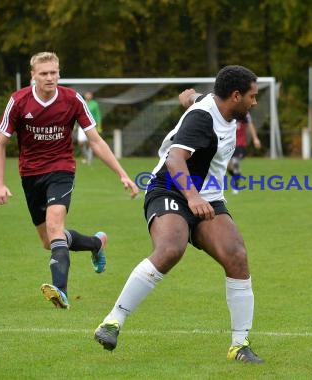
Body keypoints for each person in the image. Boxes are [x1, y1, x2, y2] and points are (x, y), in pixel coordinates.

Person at [94, 65, 264, 364]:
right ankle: (112, 321)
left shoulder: (213, 103)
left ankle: (240, 345)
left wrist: (188, 97)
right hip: (170, 189)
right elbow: (174, 159)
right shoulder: (203, 118)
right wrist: (192, 196)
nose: (255, 102)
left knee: (236, 255)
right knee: (171, 248)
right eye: (252, 96)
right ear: (235, 96)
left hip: (207, 195)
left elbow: (196, 97)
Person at [0, 52, 139, 310]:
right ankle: (95, 243)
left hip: (61, 170)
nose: (50, 78)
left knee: (54, 227)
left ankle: (60, 290)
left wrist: (122, 173)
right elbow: (0, 143)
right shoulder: (19, 101)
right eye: (44, 73)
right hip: (30, 175)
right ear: (33, 76)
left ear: (59, 73)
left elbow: (95, 139)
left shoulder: (72, 100)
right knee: (49, 241)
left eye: (54, 72)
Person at [179, 89, 262, 194]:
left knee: (235, 162)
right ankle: (236, 176)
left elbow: (250, 124)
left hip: (239, 142)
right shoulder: (217, 111)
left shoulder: (243, 113)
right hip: (224, 142)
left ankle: (236, 184)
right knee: (227, 165)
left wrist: (255, 138)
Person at [77, 91, 102, 164]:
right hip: (81, 125)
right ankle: (86, 156)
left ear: (91, 95)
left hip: (90, 125)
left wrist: (99, 126)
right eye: (86, 94)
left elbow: (97, 115)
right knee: (80, 142)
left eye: (89, 94)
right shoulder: (81, 102)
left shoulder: (94, 104)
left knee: (90, 142)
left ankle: (89, 158)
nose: (88, 96)